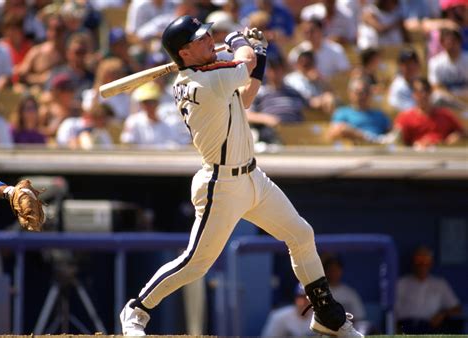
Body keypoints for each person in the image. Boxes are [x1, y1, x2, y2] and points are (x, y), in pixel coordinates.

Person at [119, 15, 363, 337]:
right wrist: (239, 41)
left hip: (252, 177)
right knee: (195, 263)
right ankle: (136, 310)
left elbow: (246, 97)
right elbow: (243, 63)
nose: (209, 41)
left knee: (301, 235)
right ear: (185, 54)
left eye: (209, 36)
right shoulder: (202, 81)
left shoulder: (208, 75)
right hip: (221, 185)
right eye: (201, 39)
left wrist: (258, 53)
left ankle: (327, 316)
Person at [395, 246, 462, 334]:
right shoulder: (401, 283)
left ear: (431, 264)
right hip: (405, 326)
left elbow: (457, 309)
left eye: (426, 261)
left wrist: (443, 314)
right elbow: (392, 312)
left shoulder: (440, 284)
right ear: (413, 263)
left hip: (430, 327)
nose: (422, 265)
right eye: (419, 261)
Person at [393, 77, 466, 149]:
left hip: (443, 153)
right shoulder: (405, 118)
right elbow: (400, 144)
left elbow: (463, 133)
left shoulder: (445, 114)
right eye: (419, 91)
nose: (423, 94)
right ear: (413, 95)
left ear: (431, 92)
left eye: (426, 90)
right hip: (418, 156)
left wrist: (456, 136)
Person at [327, 77, 392, 144]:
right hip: (356, 152)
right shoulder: (342, 113)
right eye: (358, 92)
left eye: (366, 92)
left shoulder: (379, 115)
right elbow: (333, 134)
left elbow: (392, 135)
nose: (363, 96)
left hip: (380, 151)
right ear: (350, 93)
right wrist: (357, 134)